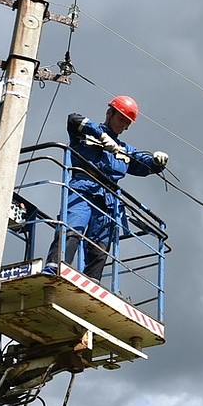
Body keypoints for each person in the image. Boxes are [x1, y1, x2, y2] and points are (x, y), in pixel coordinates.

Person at [48, 95, 169, 280]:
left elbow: (142, 164)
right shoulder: (87, 134)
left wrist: (157, 162)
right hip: (83, 188)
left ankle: (93, 281)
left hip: (109, 199)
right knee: (73, 226)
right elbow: (73, 119)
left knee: (101, 244)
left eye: (127, 123)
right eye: (121, 119)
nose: (124, 126)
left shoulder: (125, 150)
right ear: (109, 113)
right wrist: (101, 135)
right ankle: (55, 268)